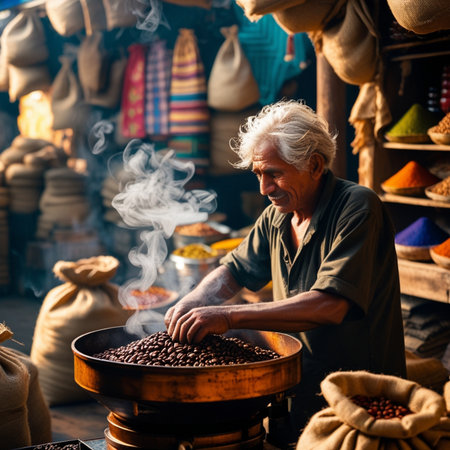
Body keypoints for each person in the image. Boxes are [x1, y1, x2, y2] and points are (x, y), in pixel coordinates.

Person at [165, 99, 406, 446]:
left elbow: (329, 305)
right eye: (258, 174)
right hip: (297, 390)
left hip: (359, 399)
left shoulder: (357, 207)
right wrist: (193, 302)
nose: (264, 189)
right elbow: (233, 270)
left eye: (274, 173)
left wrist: (227, 316)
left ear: (315, 165)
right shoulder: (277, 216)